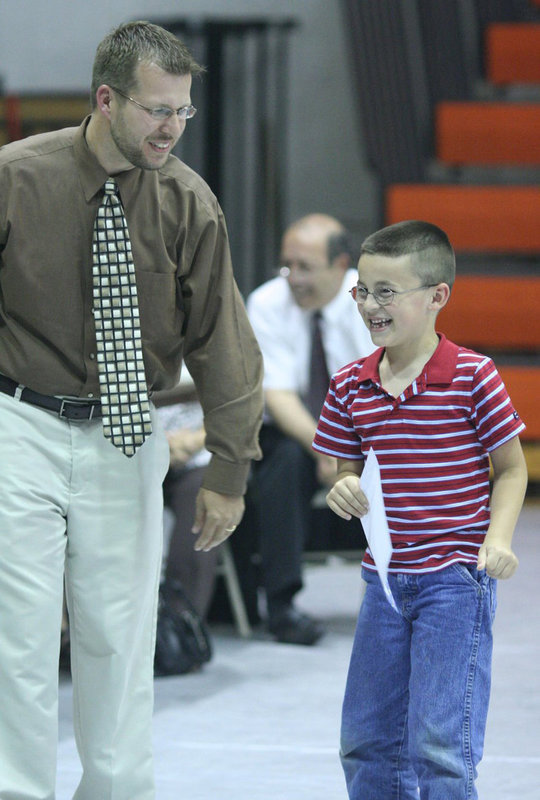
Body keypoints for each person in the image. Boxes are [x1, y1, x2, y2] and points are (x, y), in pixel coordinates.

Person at [0, 20, 263, 800]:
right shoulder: (16, 178)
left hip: (126, 432)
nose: (171, 128)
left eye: (182, 111)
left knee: (120, 636)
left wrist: (230, 469)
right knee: (17, 636)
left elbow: (223, 339)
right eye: (157, 110)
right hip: (18, 424)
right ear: (107, 99)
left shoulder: (188, 201)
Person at [313, 220, 528, 799]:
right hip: (383, 582)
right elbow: (344, 469)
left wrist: (498, 539)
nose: (370, 305)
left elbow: (511, 469)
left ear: (437, 296)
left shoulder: (472, 376)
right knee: (365, 741)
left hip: (454, 583)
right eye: (363, 290)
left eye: (387, 292)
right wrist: (343, 486)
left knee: (440, 747)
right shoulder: (349, 385)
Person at [245, 213, 374, 645]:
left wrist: (348, 452)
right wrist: (327, 451)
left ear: (341, 266)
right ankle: (282, 606)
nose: (293, 279)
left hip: (365, 433)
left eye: (305, 267)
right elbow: (278, 396)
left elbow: (386, 390)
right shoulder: (267, 303)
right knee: (282, 460)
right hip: (298, 432)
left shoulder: (373, 302)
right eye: (287, 266)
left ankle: (392, 598)